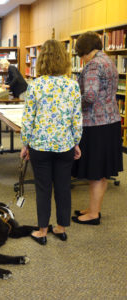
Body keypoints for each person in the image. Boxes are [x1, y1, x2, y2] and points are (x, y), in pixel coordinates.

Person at [20, 39, 82, 245]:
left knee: (43, 188)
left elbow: (29, 118)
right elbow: (76, 118)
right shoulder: (72, 85)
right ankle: (61, 228)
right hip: (65, 145)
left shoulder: (35, 85)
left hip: (40, 145)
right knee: (63, 186)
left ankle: (43, 230)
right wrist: (76, 142)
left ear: (42, 60)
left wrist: (25, 144)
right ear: (64, 59)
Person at [71, 31, 123, 225]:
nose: (81, 59)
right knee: (101, 171)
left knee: (95, 170)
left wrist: (74, 105)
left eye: (80, 54)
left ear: (84, 51)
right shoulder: (108, 61)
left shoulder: (93, 64)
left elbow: (90, 96)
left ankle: (93, 215)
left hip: (95, 123)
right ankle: (93, 209)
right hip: (111, 121)